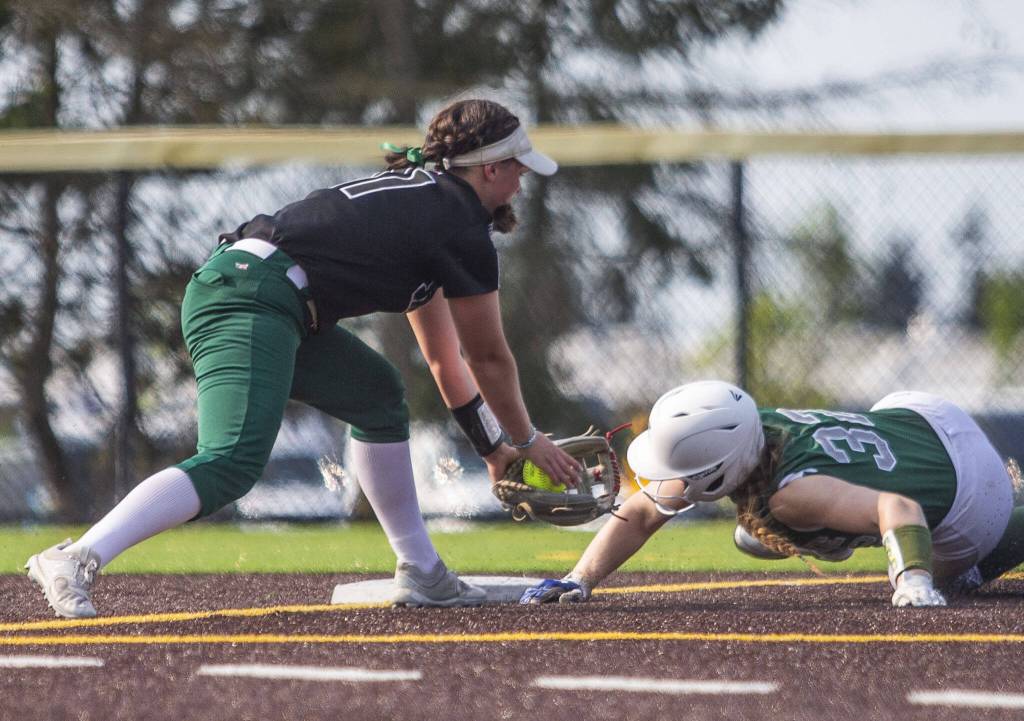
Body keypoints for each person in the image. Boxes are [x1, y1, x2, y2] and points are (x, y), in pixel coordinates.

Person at [26, 98, 582, 618]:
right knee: (232, 460)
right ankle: (77, 556)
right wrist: (529, 441)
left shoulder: (433, 208)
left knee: (379, 398)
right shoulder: (459, 223)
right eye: (517, 166)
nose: (522, 177)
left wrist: (493, 449)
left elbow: (445, 363)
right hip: (252, 294)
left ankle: (423, 571)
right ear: (489, 169)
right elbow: (487, 356)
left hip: (273, 299)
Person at [522, 380, 1024, 608]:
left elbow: (900, 508)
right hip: (924, 418)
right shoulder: (753, 428)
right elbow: (644, 512)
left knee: (948, 579)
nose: (665, 479)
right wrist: (578, 578)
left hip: (972, 498)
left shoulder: (788, 497)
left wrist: (913, 581)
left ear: (718, 474)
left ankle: (999, 540)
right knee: (752, 533)